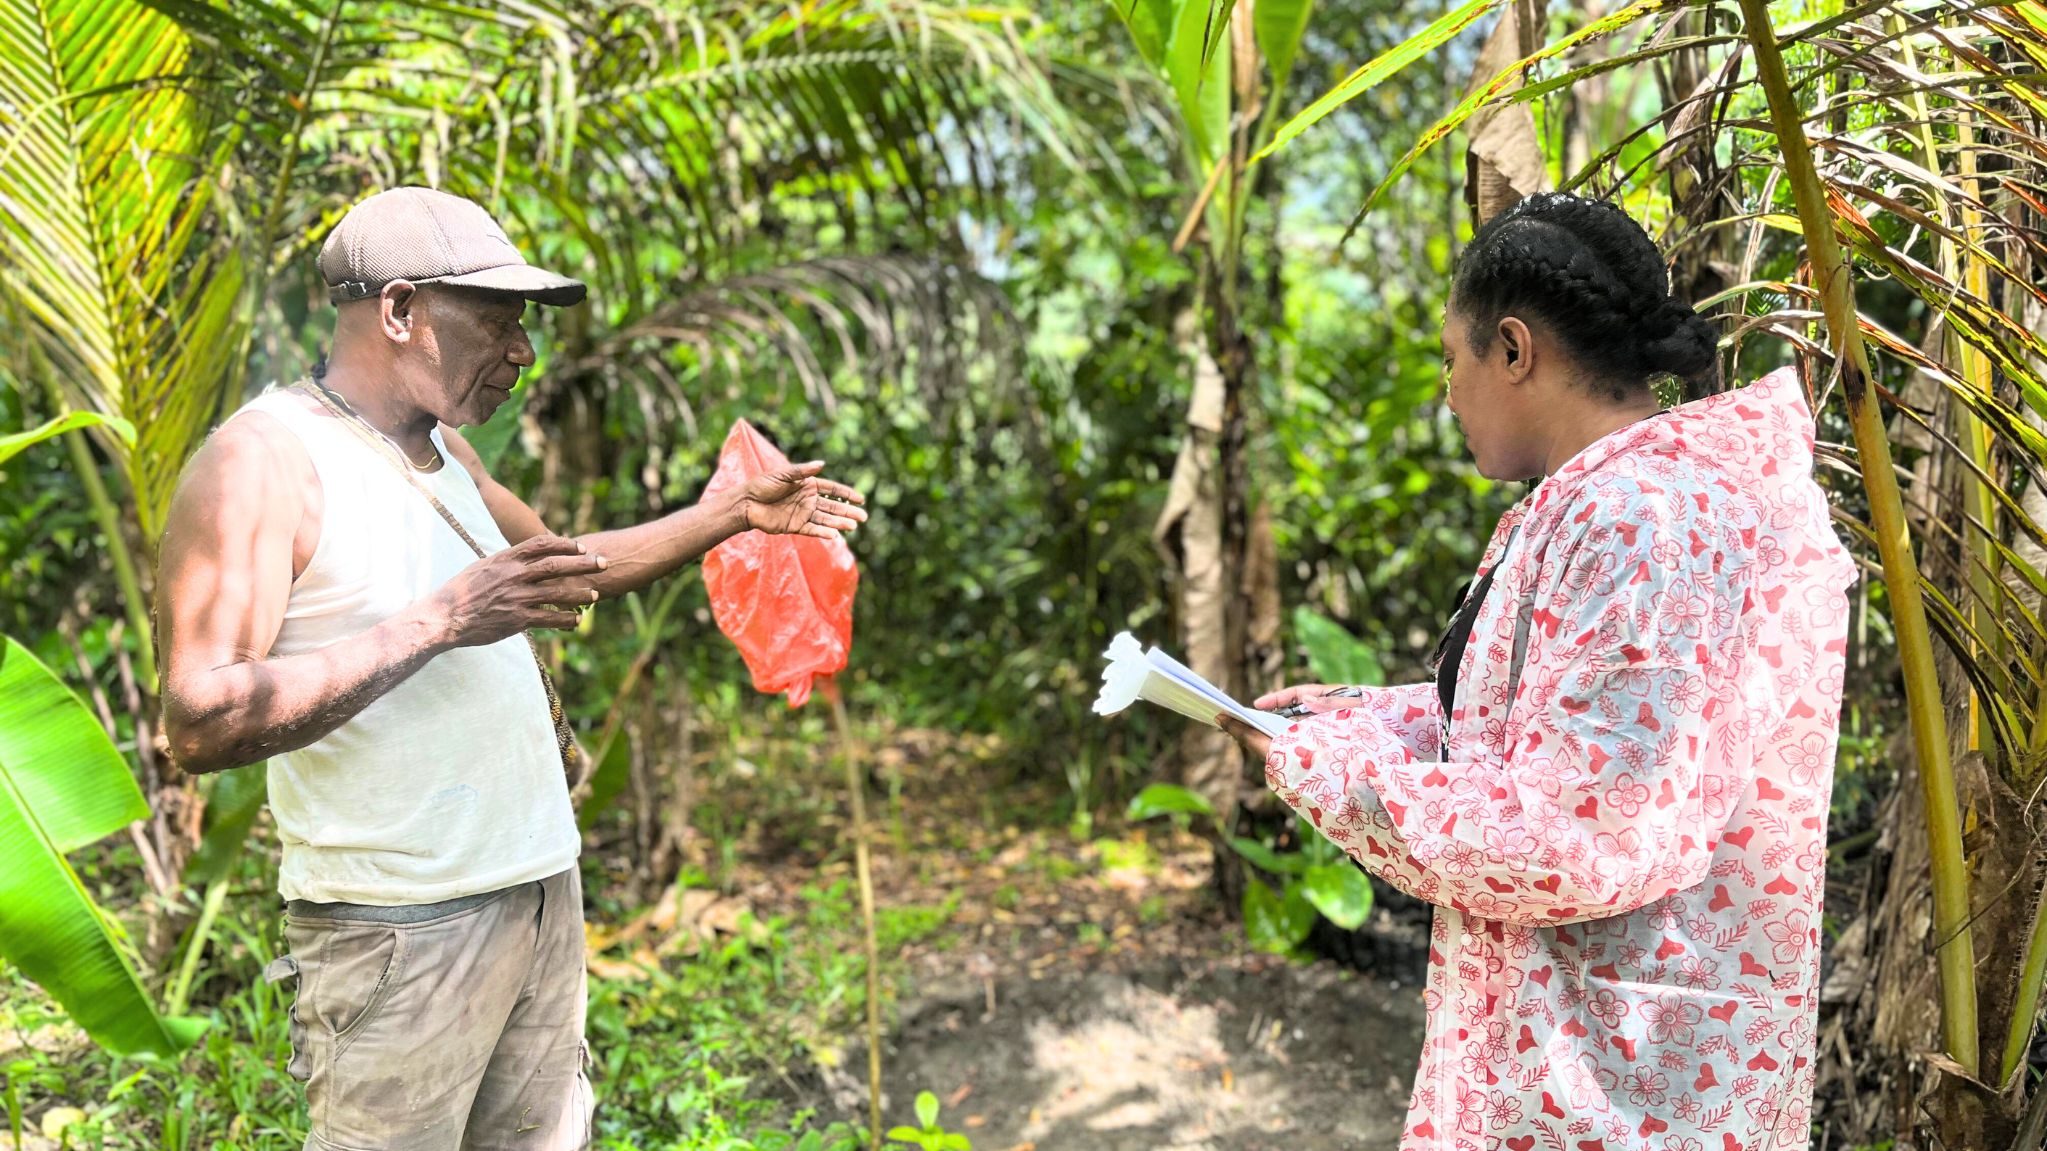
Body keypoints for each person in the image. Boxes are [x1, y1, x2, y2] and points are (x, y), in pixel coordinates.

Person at [157, 186, 867, 1150]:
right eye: (496, 322)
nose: (523, 354)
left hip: (540, 891)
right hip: (399, 932)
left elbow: (571, 569)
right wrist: (443, 619)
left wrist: (733, 512)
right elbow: (199, 719)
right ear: (399, 310)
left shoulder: (446, 451)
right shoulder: (262, 464)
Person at [1218, 192, 1855, 1151]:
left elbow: (1578, 835)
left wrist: (1329, 775)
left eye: (1450, 359)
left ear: (1513, 350)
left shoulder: (1644, 518)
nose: (1445, 389)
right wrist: (1352, 719)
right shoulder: (1627, 498)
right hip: (1595, 1073)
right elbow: (1550, 721)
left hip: (1615, 1095)